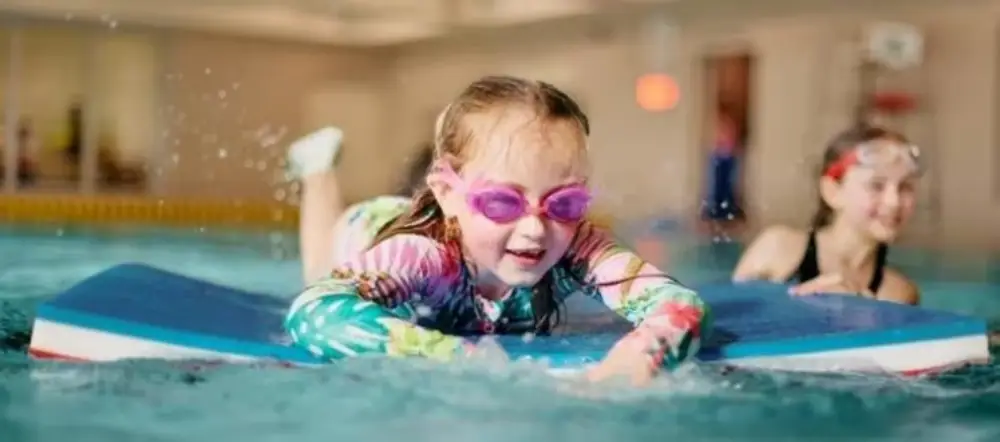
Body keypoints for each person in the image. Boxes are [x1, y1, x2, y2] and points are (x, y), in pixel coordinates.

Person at [283, 75, 710, 385]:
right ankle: (317, 168)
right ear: (447, 194)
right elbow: (315, 309)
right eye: (503, 202)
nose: (535, 229)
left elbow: (677, 303)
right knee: (318, 264)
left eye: (564, 203)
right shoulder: (421, 255)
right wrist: (450, 355)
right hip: (374, 227)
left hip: (448, 211)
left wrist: (643, 354)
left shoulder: (576, 245)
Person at [732, 125, 920, 304]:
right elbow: (729, 318)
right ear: (832, 192)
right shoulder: (778, 251)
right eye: (876, 186)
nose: (894, 201)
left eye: (905, 187)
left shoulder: (897, 294)